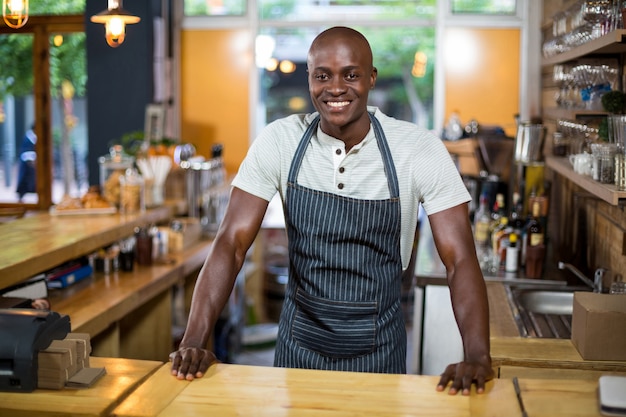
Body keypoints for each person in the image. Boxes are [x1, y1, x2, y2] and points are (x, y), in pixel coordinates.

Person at [170, 26, 493, 395]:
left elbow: (460, 259)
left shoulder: (417, 149)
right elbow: (231, 242)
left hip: (379, 354)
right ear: (309, 78)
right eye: (322, 75)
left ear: (371, 78)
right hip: (298, 350)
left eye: (351, 75)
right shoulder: (280, 141)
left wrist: (478, 355)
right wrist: (194, 338)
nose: (335, 88)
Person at [16, 124, 37, 201]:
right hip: (26, 163)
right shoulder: (28, 138)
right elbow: (25, 151)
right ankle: (20, 196)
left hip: (31, 163)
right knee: (24, 181)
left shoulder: (33, 137)